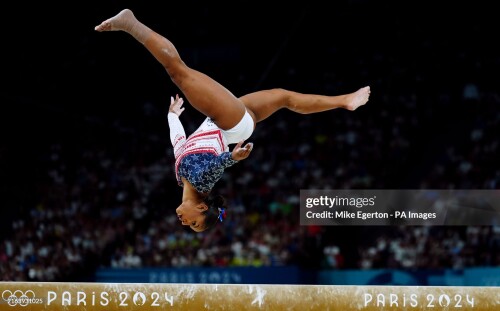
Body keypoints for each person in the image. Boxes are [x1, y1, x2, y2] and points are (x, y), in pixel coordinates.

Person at [95, 9, 371, 232]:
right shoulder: (201, 183)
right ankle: (131, 24)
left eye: (188, 226)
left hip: (236, 125)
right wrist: (233, 158)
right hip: (229, 123)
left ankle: (344, 101)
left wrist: (171, 118)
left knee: (284, 97)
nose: (184, 222)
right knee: (178, 72)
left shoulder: (182, 177)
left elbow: (178, 144)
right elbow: (215, 167)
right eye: (193, 223)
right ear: (202, 208)